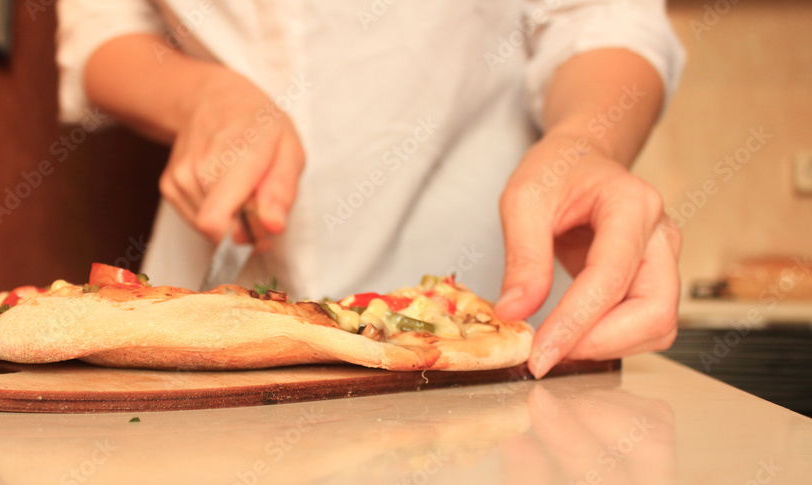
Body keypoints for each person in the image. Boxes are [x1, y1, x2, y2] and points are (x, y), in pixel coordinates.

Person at [56, 0, 685, 377]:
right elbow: (102, 33)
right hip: (211, 272)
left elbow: (604, 19)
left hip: (476, 282)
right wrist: (201, 97)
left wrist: (585, 144)